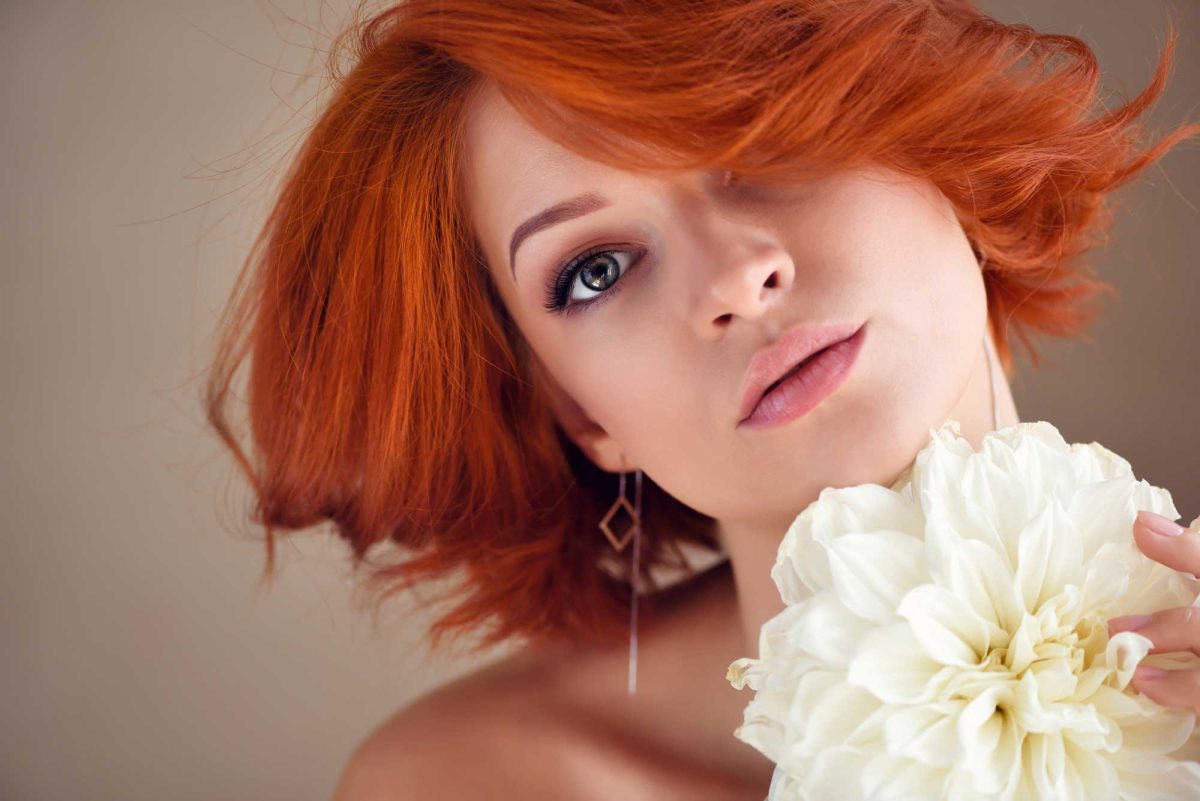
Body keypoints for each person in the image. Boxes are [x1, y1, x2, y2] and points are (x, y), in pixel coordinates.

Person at [202, 1, 1200, 798]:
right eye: (596, 270)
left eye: (764, 142)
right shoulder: (470, 785)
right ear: (580, 412)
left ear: (934, 139)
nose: (734, 278)